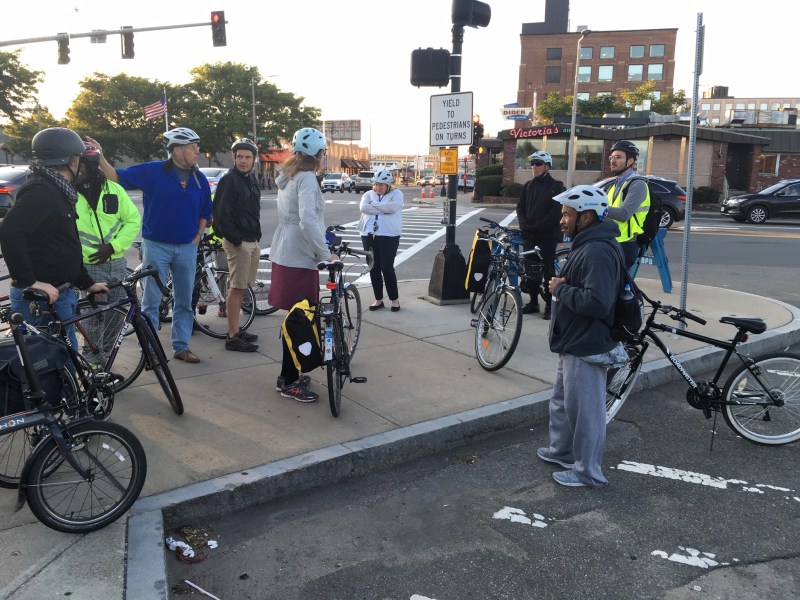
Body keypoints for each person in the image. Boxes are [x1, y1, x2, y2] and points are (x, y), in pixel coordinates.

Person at [85, 128, 212, 364]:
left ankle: (181, 346)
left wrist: (197, 236)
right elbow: (116, 177)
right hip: (157, 246)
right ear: (177, 150)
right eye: (193, 147)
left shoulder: (198, 177)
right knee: (151, 302)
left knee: (184, 300)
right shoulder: (153, 171)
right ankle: (150, 350)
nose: (197, 151)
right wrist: (101, 156)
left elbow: (206, 209)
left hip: (187, 247)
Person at [542, 184, 624, 488]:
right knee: (563, 403)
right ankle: (561, 451)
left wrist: (560, 289)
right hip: (573, 339)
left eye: (567, 214)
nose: (562, 220)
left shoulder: (598, 250)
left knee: (586, 412)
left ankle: (587, 472)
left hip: (587, 342)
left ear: (586, 216)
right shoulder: (587, 243)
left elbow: (598, 302)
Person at [0, 127, 109, 350]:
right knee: (48, 368)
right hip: (40, 301)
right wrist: (29, 281)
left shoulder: (57, 189)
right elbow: (10, 231)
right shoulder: (42, 190)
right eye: (78, 158)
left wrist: (86, 283)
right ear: (72, 160)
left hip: (59, 294)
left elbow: (62, 243)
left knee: (64, 361)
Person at [269, 127, 338, 402]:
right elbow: (308, 220)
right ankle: (289, 380)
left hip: (285, 251)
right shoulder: (307, 178)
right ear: (317, 153)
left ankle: (291, 373)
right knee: (299, 319)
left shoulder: (289, 175)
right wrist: (325, 254)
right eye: (323, 152)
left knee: (293, 317)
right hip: (300, 255)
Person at [74, 144, 142, 367]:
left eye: (81, 164)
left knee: (115, 316)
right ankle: (93, 365)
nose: (77, 168)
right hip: (88, 265)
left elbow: (132, 221)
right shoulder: (69, 193)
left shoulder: (113, 190)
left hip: (116, 264)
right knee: (92, 318)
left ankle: (104, 363)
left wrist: (113, 246)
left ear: (92, 166)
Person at [214, 138, 262, 352]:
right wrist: (238, 240)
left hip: (252, 240)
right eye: (240, 157)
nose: (243, 161)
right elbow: (222, 216)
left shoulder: (250, 179)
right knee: (237, 287)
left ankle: (237, 329)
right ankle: (232, 336)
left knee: (244, 286)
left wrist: (254, 237)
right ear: (233, 158)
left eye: (247, 157)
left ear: (254, 160)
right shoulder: (229, 180)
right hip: (239, 242)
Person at [516, 150, 565, 319]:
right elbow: (520, 207)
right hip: (530, 236)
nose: (534, 167)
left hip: (547, 236)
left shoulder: (556, 186)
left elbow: (555, 213)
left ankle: (551, 306)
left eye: (538, 164)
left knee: (548, 273)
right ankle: (533, 302)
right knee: (531, 272)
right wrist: (524, 225)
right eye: (532, 164)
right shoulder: (528, 186)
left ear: (547, 166)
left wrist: (535, 227)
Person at [358, 168, 404, 312]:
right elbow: (364, 208)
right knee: (373, 268)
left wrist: (375, 207)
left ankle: (394, 300)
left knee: (387, 268)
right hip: (368, 235)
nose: (378, 187)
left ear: (388, 185)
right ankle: (378, 299)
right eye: (376, 184)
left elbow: (393, 208)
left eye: (381, 185)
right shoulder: (368, 194)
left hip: (389, 236)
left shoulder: (397, 194)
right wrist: (383, 208)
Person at [605, 140, 650, 268]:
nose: (613, 161)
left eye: (618, 157)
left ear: (630, 161)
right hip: (610, 240)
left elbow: (624, 214)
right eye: (611, 157)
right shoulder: (613, 185)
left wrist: (597, 208)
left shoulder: (637, 184)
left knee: (615, 286)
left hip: (625, 244)